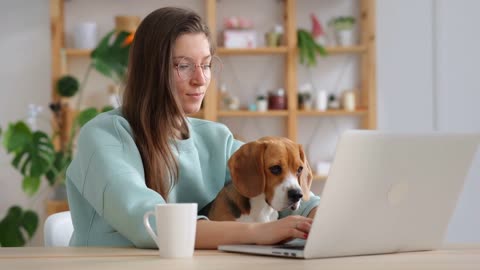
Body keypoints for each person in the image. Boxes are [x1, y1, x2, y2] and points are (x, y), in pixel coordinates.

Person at [66, 6, 320, 249]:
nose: (200, 79)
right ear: (151, 70)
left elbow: (298, 198)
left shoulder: (217, 138)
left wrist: (320, 218)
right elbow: (151, 224)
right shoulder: (105, 135)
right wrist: (258, 233)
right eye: (184, 65)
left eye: (206, 64)